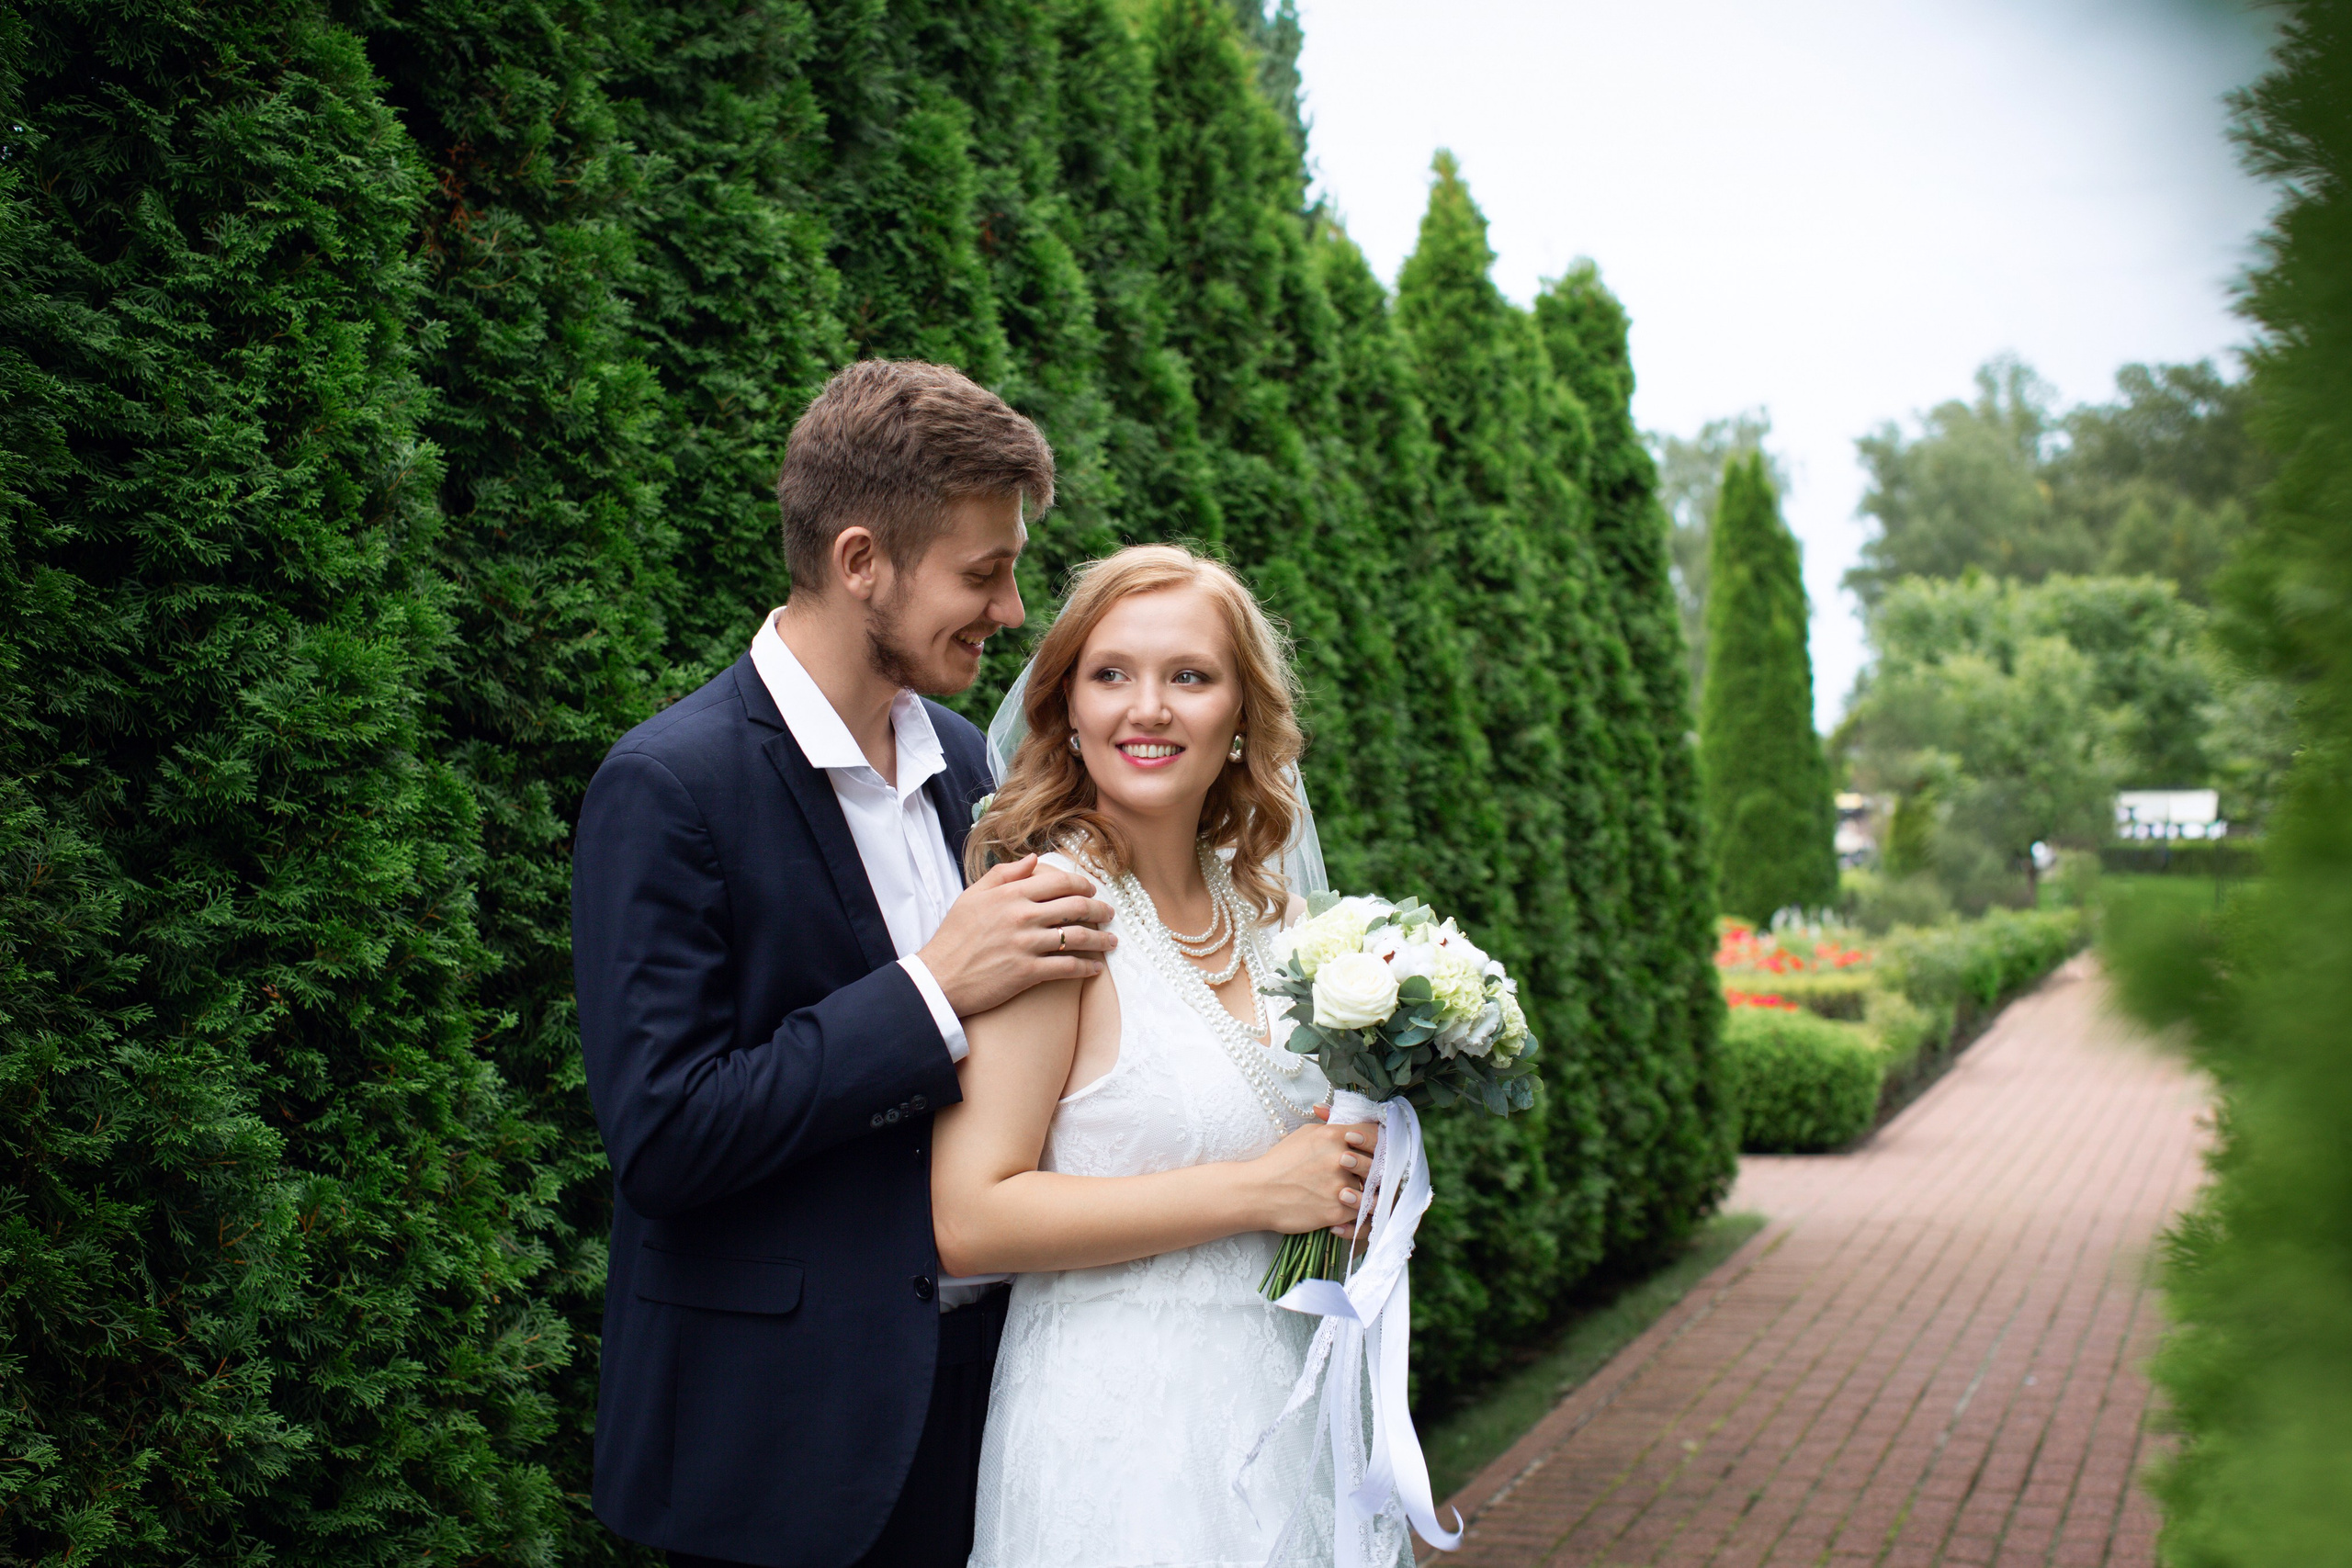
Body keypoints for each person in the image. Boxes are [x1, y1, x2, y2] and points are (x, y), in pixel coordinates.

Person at [571, 360, 1122, 1568]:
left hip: (989, 1418)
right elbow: (664, 1135)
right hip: (779, 1450)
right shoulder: (667, 786)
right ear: (861, 558)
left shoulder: (972, 768)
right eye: (984, 572)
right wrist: (930, 990)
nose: (1015, 611)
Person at [934, 544, 1404, 1568]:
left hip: (1284, 1416)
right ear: (1066, 707)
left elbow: (1306, 1170)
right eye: (1111, 675)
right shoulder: (1046, 916)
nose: (1146, 708)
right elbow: (970, 1220)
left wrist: (1360, 1190)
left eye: (1188, 676)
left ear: (1241, 715)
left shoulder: (1275, 918)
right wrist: (1258, 1192)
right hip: (1119, 1448)